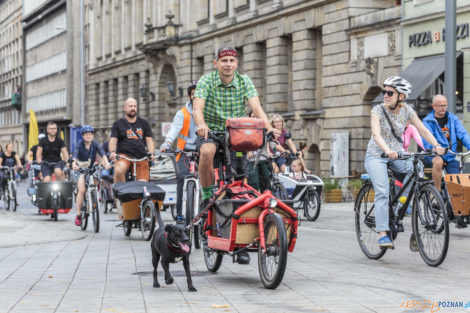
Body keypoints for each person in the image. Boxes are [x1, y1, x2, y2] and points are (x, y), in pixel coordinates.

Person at [193, 46, 273, 264]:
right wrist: (201, 125)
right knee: (207, 151)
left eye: (232, 60)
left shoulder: (244, 81)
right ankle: (207, 195)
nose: (228, 64)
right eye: (224, 60)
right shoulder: (207, 81)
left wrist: (269, 128)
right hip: (212, 131)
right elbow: (197, 107)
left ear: (236, 63)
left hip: (236, 134)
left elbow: (257, 108)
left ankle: (241, 242)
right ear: (216, 63)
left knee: (239, 185)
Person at [364, 76, 444, 249]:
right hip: (376, 154)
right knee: (383, 190)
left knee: (417, 167)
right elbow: (376, 135)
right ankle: (383, 233)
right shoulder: (376, 111)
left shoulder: (407, 110)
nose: (385, 95)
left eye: (390, 92)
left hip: (398, 155)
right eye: (384, 91)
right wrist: (388, 150)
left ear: (401, 96)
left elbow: (422, 129)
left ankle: (401, 203)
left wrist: (436, 145)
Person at [160, 81, 198, 223]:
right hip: (185, 151)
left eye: (198, 94)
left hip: (202, 150)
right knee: (182, 178)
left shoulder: (207, 111)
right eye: (193, 94)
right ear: (189, 96)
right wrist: (168, 142)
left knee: (208, 179)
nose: (196, 97)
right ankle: (180, 213)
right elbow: (175, 128)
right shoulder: (182, 113)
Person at [422, 94, 470, 190]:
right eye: (440, 106)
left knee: (456, 186)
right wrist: (434, 149)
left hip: (450, 155)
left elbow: (463, 134)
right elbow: (427, 138)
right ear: (434, 106)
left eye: (445, 105)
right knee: (438, 161)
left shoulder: (452, 118)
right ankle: (437, 194)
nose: (444, 108)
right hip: (432, 154)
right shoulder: (427, 121)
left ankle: (451, 203)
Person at [109, 98, 155, 182]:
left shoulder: (144, 123)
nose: (133, 108)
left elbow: (149, 140)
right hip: (124, 156)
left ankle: (139, 195)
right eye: (130, 106)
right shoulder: (118, 123)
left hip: (141, 157)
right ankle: (120, 192)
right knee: (119, 170)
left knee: (143, 184)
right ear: (125, 108)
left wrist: (151, 153)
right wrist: (112, 152)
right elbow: (113, 140)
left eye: (135, 106)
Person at [72, 125, 110, 226]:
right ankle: (78, 214)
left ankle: (94, 196)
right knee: (82, 190)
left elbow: (103, 154)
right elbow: (74, 155)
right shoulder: (79, 145)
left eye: (90, 134)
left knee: (95, 181)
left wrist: (106, 163)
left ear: (92, 135)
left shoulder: (95, 144)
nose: (88, 136)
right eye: (86, 135)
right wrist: (74, 164)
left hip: (92, 168)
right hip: (80, 169)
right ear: (83, 136)